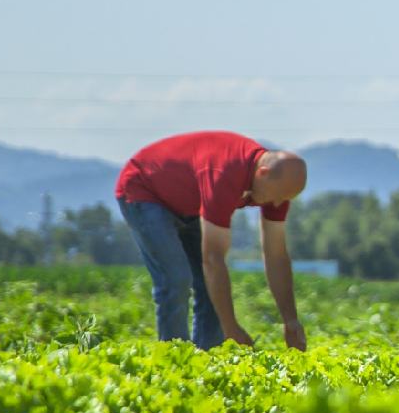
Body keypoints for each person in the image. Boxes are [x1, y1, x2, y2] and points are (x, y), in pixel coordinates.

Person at [114, 131, 309, 349]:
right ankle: (174, 358)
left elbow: (276, 255)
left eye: (286, 199)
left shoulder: (277, 190)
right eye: (278, 196)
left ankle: (206, 361)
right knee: (176, 280)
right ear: (262, 173)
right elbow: (213, 259)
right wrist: (230, 328)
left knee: (210, 288)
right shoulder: (224, 175)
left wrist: (291, 321)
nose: (278, 204)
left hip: (191, 204)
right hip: (145, 190)